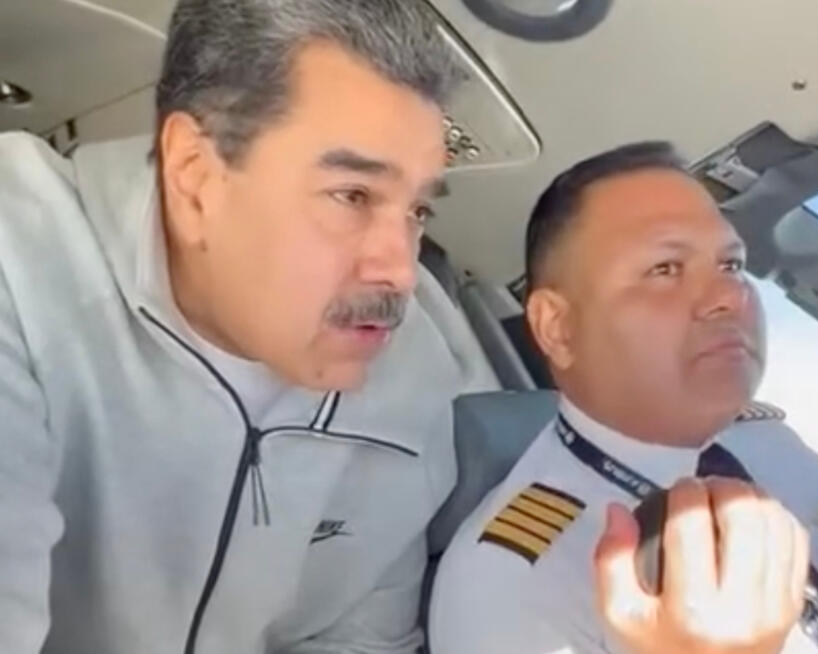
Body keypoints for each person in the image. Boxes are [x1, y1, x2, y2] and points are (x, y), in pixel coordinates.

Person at [0, 1, 498, 652]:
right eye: (352, 195)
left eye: (418, 210)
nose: (401, 271)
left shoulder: (419, 375)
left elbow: (360, 638)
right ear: (195, 176)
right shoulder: (18, 260)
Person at [428, 142, 818, 654]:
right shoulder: (507, 581)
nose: (728, 297)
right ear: (558, 327)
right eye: (664, 269)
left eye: (731, 265)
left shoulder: (764, 443)